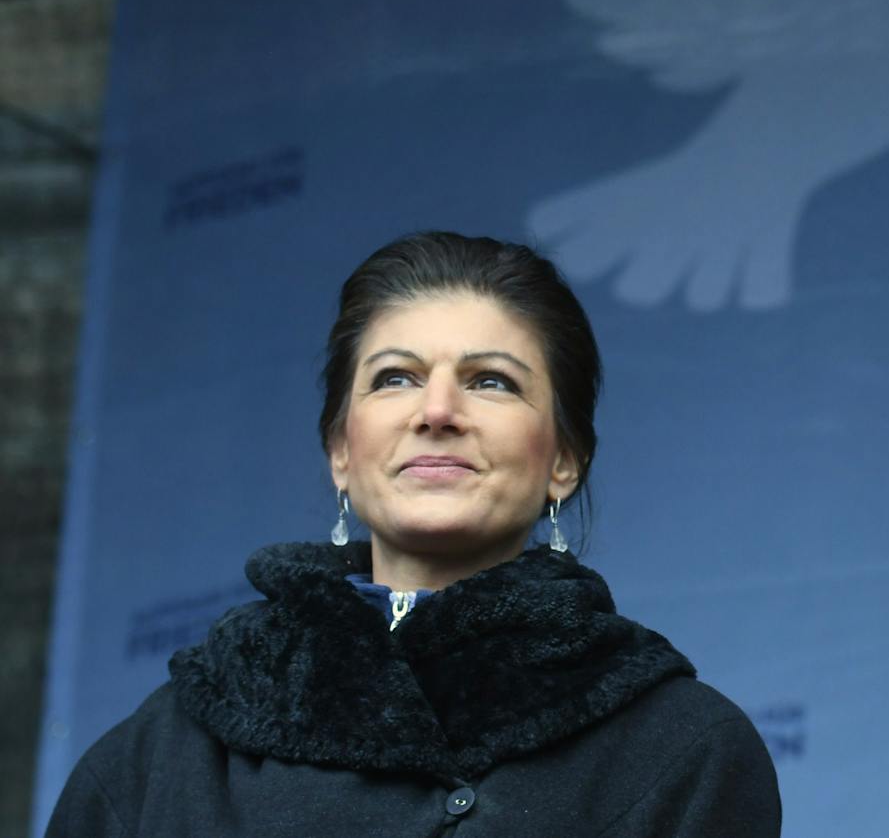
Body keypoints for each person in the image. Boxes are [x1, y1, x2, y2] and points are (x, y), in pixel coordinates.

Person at [48, 232, 782, 837]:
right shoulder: (166, 751)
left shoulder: (684, 749)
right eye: (394, 378)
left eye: (492, 381)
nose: (437, 411)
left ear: (563, 460)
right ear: (341, 449)